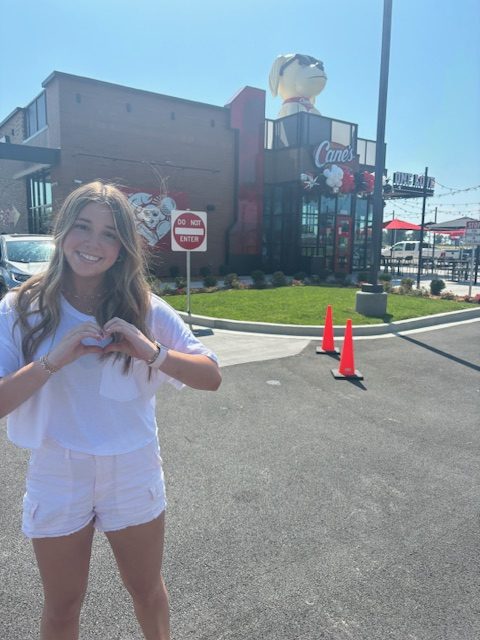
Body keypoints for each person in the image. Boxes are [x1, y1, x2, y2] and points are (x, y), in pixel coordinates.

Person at [0, 181, 221, 640]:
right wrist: (51, 361)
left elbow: (210, 375)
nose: (93, 243)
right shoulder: (22, 308)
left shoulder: (145, 308)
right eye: (82, 227)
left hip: (132, 465)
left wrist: (152, 352)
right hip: (58, 468)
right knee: (62, 605)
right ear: (61, 232)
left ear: (123, 248)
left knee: (146, 590)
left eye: (109, 234)